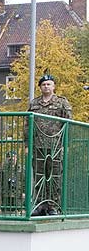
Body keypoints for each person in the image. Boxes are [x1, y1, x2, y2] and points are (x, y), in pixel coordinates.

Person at [27, 74, 72, 216]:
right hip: (38, 145)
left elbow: (68, 123)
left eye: (49, 84)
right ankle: (40, 205)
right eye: (44, 84)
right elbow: (28, 124)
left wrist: (66, 143)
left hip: (55, 147)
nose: (46, 86)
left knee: (55, 176)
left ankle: (53, 206)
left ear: (54, 86)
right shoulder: (34, 103)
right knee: (39, 175)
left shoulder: (62, 103)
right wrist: (27, 143)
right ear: (40, 87)